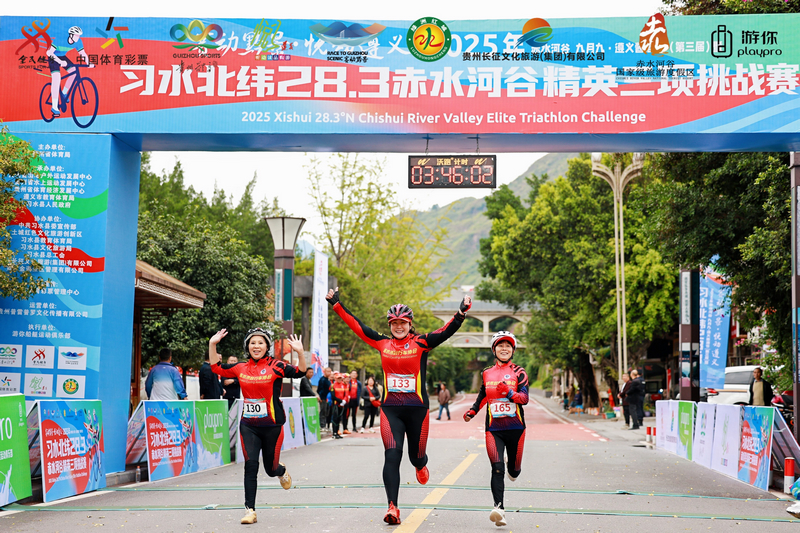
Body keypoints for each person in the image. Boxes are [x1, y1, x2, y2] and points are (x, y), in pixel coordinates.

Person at [327, 287, 471, 525]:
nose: (398, 326)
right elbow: (358, 326)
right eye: (394, 323)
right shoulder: (382, 343)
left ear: (410, 323)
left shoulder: (422, 342)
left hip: (418, 411)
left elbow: (445, 332)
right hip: (390, 410)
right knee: (392, 455)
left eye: (402, 322)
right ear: (390, 325)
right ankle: (392, 507)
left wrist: (460, 313)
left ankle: (421, 464)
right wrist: (337, 304)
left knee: (416, 456)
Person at [209, 328, 306, 525]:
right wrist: (213, 344)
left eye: (260, 343)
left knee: (270, 469)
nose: (256, 346)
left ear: (267, 347)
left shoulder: (277, 366)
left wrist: (300, 353)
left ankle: (280, 471)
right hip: (249, 426)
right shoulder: (240, 367)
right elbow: (216, 368)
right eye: (252, 343)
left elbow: (300, 372)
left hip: (272, 426)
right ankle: (250, 510)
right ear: (247, 346)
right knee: (250, 465)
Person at [464, 331, 529, 528]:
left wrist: (509, 392)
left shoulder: (520, 372)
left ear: (513, 350)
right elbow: (483, 395)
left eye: (508, 346)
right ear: (494, 349)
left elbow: (524, 399)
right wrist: (473, 411)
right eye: (500, 345)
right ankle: (498, 509)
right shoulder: (487, 373)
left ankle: (513, 467)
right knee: (496, 468)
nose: (504, 349)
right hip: (493, 429)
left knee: (514, 472)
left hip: (516, 428)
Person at [45, 26, 94, 117]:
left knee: (74, 71)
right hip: (53, 57)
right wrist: (59, 62)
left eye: (78, 36)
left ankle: (64, 93)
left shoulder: (78, 42)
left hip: (63, 57)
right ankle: (54, 106)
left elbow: (82, 53)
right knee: (56, 78)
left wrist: (88, 63)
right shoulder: (60, 39)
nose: (77, 38)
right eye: (76, 35)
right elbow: (49, 53)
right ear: (71, 35)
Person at [330, 371, 349, 439]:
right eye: (338, 378)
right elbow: (333, 396)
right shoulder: (333, 385)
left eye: (340, 378)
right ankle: (334, 432)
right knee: (335, 419)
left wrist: (344, 400)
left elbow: (345, 393)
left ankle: (337, 432)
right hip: (336, 404)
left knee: (339, 419)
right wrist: (340, 401)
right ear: (335, 378)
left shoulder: (343, 385)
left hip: (342, 404)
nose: (339, 379)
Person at [317, 367, 332, 431]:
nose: (329, 373)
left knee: (326, 412)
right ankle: (322, 425)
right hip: (323, 398)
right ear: (324, 372)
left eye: (330, 371)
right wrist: (321, 397)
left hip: (328, 399)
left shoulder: (328, 380)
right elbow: (320, 389)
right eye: (327, 371)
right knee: (323, 411)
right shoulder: (322, 380)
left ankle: (325, 425)